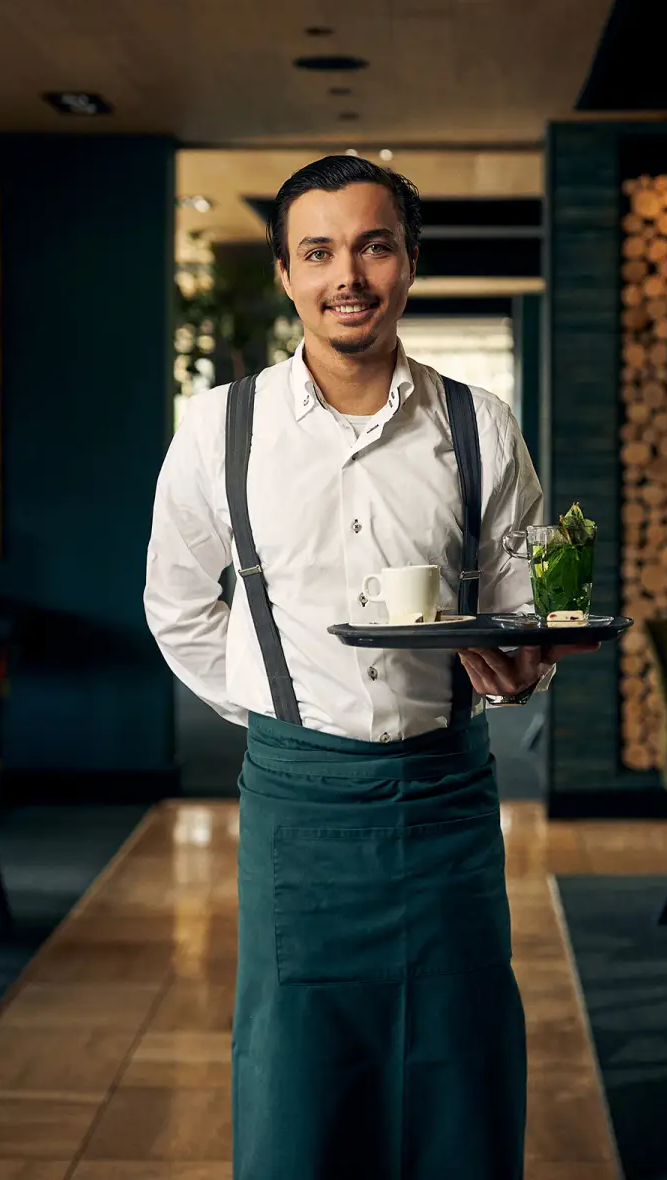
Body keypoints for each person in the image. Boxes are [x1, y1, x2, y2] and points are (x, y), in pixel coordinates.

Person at [143, 155, 592, 1179]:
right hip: (299, 803)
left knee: (459, 1062)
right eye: (320, 250)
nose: (348, 273)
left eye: (373, 245)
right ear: (288, 273)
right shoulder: (223, 427)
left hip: (445, 795)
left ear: (409, 263)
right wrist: (274, 703)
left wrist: (524, 668)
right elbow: (176, 604)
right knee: (298, 1067)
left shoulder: (479, 423)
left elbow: (523, 607)